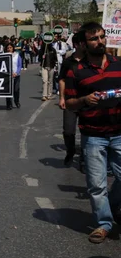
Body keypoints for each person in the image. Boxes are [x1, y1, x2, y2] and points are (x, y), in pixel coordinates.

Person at [64, 22, 121, 244]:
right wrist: (84, 100)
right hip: (93, 135)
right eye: (94, 39)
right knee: (97, 184)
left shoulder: (118, 64)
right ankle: (104, 223)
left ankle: (114, 205)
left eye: (102, 37)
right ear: (84, 44)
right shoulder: (76, 71)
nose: (99, 42)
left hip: (119, 132)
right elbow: (69, 103)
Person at [58, 33, 84, 166]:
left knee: (87, 132)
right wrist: (62, 97)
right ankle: (70, 150)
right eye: (82, 42)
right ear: (76, 45)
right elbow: (62, 80)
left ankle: (84, 159)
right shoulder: (68, 62)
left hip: (87, 102)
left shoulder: (91, 60)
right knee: (68, 131)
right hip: (70, 101)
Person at [5, 43, 22, 110]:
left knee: (16, 89)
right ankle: (9, 104)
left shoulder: (17, 55)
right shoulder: (5, 56)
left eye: (10, 47)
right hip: (7, 75)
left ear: (13, 48)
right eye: (8, 48)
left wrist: (16, 73)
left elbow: (19, 65)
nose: (9, 49)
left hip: (16, 75)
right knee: (8, 90)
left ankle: (16, 101)